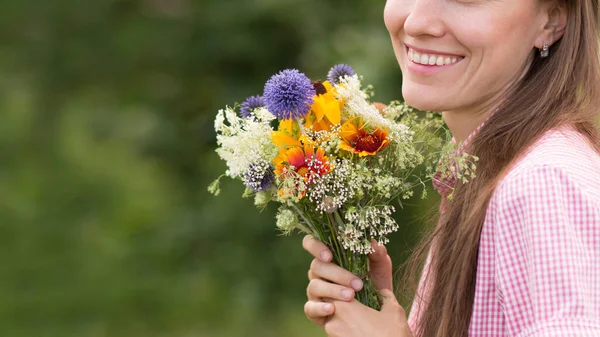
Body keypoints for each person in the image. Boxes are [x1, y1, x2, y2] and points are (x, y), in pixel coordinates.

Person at [302, 0, 600, 336]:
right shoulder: (484, 175)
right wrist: (375, 304)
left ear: (551, 21)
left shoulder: (541, 184)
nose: (416, 22)